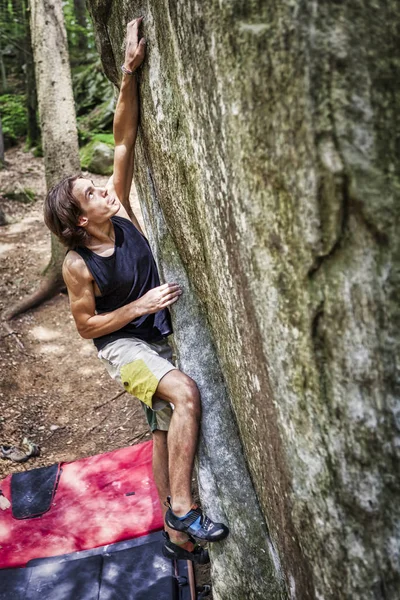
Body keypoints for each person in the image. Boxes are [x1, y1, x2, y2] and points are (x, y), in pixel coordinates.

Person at [43, 17, 228, 563]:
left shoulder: (120, 213)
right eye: (91, 192)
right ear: (80, 219)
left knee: (163, 426)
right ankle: (182, 509)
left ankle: (173, 540)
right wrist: (141, 305)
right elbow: (86, 329)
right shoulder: (79, 265)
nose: (102, 188)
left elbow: (123, 140)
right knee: (185, 394)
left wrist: (129, 71)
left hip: (153, 330)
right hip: (124, 344)